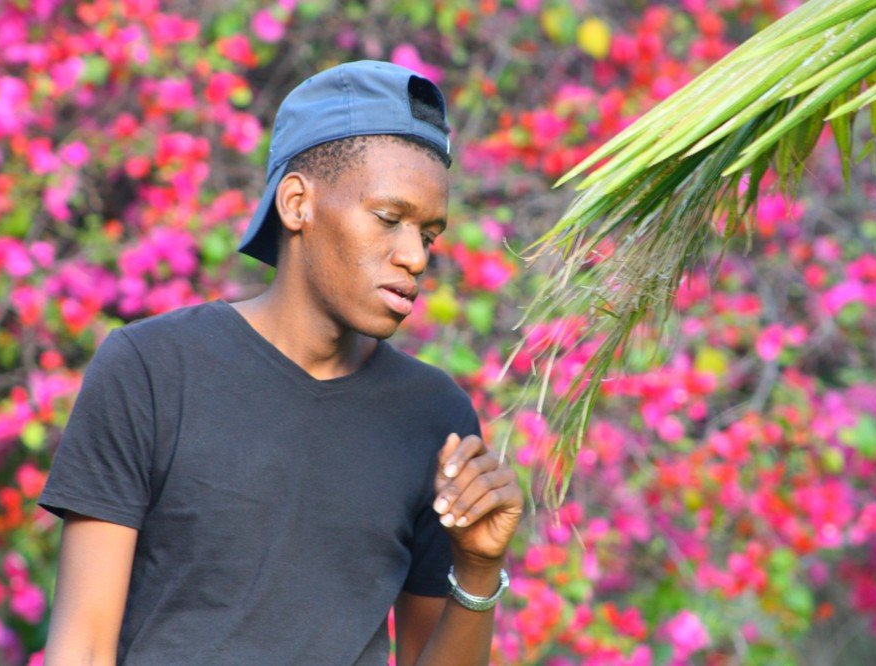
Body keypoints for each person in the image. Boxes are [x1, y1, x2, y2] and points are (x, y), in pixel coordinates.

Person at [39, 60, 523, 665]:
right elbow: (82, 648)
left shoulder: (434, 416)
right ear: (297, 204)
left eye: (428, 235)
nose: (414, 257)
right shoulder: (152, 369)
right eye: (389, 219)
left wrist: (477, 570)